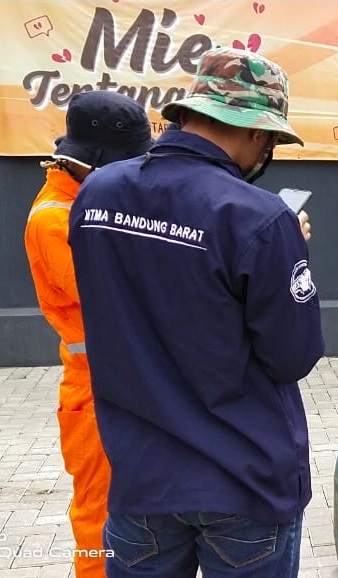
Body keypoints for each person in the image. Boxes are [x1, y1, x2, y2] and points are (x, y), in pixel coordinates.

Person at [67, 47, 324, 578]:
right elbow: (292, 355)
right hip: (243, 480)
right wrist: (289, 253)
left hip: (140, 479)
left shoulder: (95, 194)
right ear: (256, 131)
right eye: (272, 139)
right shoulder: (259, 217)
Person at [23, 90, 152, 578]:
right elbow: (110, 288)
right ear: (91, 163)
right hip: (93, 391)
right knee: (98, 515)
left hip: (119, 381)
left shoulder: (89, 199)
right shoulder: (54, 220)